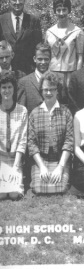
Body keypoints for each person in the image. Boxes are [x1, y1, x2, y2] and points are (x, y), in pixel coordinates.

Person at [27, 72, 73, 195]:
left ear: (58, 91)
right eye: (46, 89)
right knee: (38, 188)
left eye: (52, 89)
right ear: (41, 91)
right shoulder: (34, 113)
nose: (49, 93)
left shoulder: (66, 112)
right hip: (41, 159)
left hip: (59, 158)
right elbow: (31, 143)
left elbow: (69, 141)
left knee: (61, 188)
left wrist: (61, 167)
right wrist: (41, 166)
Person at [45, 0, 84, 89]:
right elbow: (47, 55)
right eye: (58, 10)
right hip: (52, 73)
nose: (61, 13)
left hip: (70, 74)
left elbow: (80, 56)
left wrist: (77, 76)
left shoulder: (77, 32)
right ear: (55, 11)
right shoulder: (49, 32)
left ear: (69, 10)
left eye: (64, 9)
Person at [0, 0, 43, 74]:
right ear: (9, 2)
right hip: (6, 69)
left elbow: (38, 46)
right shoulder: (1, 20)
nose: (17, 2)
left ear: (25, 0)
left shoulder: (33, 21)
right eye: (14, 0)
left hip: (28, 70)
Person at [0, 71, 27, 200]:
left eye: (9, 87)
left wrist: (16, 166)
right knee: (2, 194)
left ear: (14, 89)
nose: (7, 90)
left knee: (14, 194)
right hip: (1, 159)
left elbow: (23, 140)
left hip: (15, 159)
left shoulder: (22, 111)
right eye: (3, 87)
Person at [17, 43, 52, 113]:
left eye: (46, 59)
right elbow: (21, 111)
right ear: (34, 59)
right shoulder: (24, 82)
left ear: (50, 59)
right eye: (40, 59)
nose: (43, 62)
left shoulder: (58, 81)